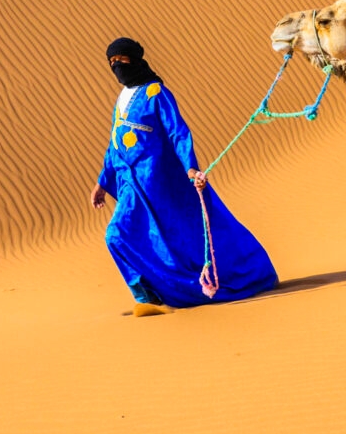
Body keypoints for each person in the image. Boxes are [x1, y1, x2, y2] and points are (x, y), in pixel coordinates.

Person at [91, 37, 278, 315]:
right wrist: (102, 182)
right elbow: (114, 144)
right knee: (117, 235)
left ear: (135, 59)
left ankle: (241, 274)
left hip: (159, 181)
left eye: (122, 60)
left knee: (180, 236)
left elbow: (178, 131)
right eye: (112, 62)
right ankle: (146, 294)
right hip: (130, 184)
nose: (117, 66)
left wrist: (190, 166)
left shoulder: (155, 92)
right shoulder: (121, 99)